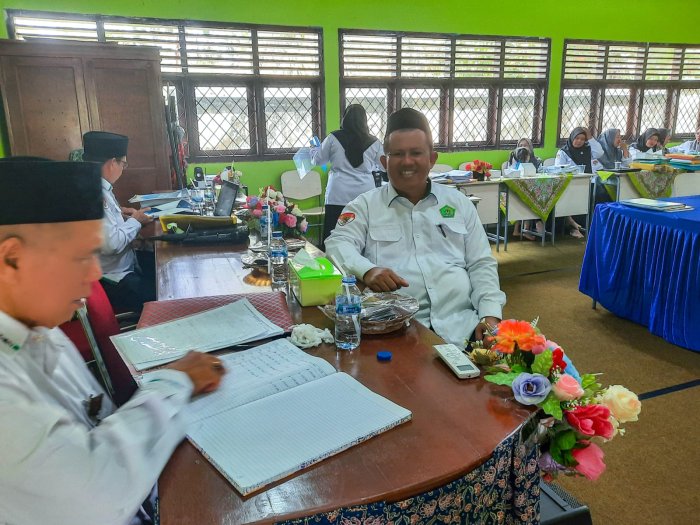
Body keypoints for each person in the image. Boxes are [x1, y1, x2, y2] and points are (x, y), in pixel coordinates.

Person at [0, 159, 225, 525]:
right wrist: (175, 383)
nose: (94, 273)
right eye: (80, 256)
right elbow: (94, 494)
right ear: (12, 259)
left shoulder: (40, 332)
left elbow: (99, 424)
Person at [325, 108, 505, 348]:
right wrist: (367, 270)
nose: (407, 161)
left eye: (416, 153)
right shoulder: (364, 206)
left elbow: (481, 263)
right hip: (396, 333)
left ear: (432, 159)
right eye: (397, 154)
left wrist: (490, 315)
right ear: (384, 162)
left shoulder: (459, 204)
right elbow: (337, 243)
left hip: (464, 328)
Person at [83, 131, 155, 312]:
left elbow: (106, 228)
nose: (123, 168)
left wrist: (122, 216)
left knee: (161, 266)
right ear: (112, 163)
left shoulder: (96, 186)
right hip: (113, 280)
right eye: (123, 163)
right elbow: (112, 244)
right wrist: (136, 221)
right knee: (166, 292)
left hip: (119, 269)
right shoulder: (96, 194)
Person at [310, 104, 383, 247]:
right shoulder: (374, 142)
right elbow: (384, 166)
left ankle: (332, 260)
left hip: (338, 193)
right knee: (364, 233)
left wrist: (314, 150)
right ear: (365, 120)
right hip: (365, 194)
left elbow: (318, 161)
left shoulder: (333, 138)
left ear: (344, 118)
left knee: (333, 233)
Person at [555, 128, 599, 238]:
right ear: (572, 138)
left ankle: (585, 227)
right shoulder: (563, 152)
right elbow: (558, 169)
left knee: (597, 195)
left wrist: (590, 137)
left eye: (583, 139)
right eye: (577, 138)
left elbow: (599, 153)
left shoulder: (588, 150)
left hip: (585, 184)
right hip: (569, 185)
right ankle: (571, 227)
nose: (579, 141)